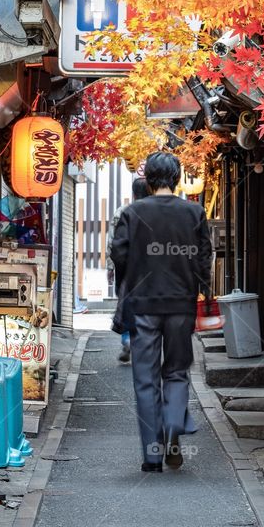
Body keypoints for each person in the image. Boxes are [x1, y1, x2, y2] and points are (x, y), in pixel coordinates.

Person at [111, 152, 213, 472]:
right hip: (181, 303)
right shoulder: (194, 212)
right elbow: (203, 258)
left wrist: (128, 282)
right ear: (177, 178)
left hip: (144, 305)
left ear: (149, 179)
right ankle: (173, 427)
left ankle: (153, 455)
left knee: (145, 378)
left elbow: (119, 253)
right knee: (176, 372)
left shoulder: (132, 213)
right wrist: (200, 287)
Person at [107, 177, 151, 363]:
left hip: (125, 265)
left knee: (126, 303)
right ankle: (143, 341)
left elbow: (112, 242)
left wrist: (111, 266)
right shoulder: (155, 212)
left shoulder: (122, 212)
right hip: (149, 267)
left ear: (133, 194)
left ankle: (127, 338)